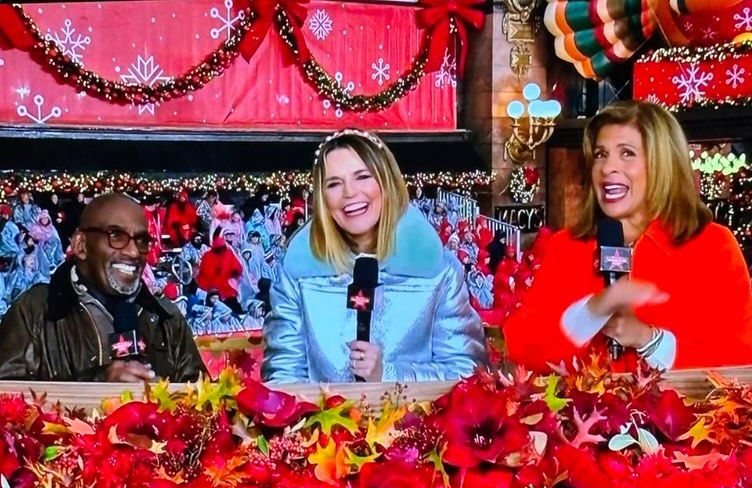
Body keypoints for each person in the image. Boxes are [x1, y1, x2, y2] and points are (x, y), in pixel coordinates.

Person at [504, 101, 752, 373]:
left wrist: (649, 340)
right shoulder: (567, 247)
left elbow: (739, 358)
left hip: (688, 414)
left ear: (662, 165)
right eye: (600, 154)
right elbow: (522, 350)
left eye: (627, 153)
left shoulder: (712, 246)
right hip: (584, 414)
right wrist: (592, 312)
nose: (607, 167)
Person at [263, 129, 485, 383]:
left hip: (414, 422)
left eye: (362, 177)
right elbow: (281, 379)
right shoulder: (297, 272)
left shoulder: (440, 272)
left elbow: (469, 374)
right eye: (334, 184)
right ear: (322, 198)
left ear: (386, 182)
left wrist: (388, 375)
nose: (349, 193)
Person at [0, 193, 206, 382]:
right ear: (81, 245)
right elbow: (9, 405)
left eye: (142, 240)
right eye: (116, 235)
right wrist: (99, 383)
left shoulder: (165, 317)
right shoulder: (34, 311)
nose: (134, 252)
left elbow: (206, 406)